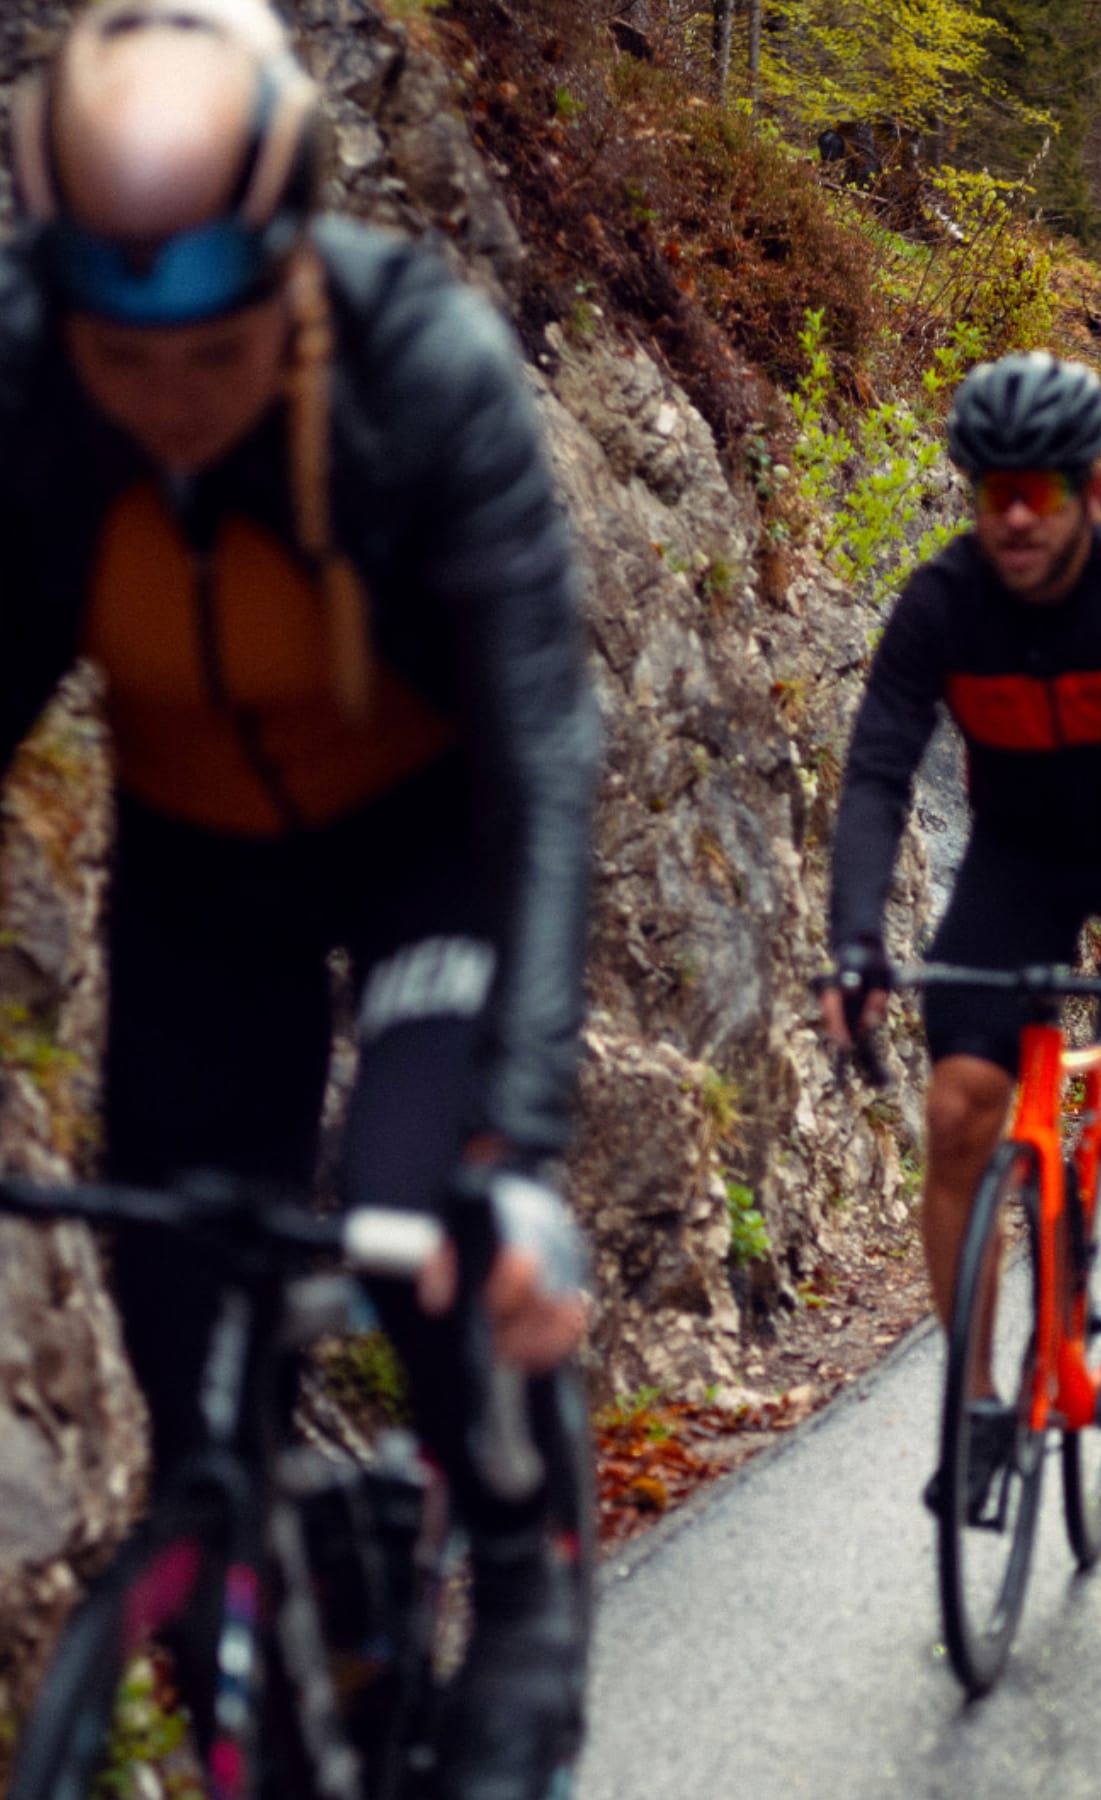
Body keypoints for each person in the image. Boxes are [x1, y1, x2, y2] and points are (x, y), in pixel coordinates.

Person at [0, 3, 601, 1794]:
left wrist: (519, 1138)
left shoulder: (423, 372)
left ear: (294, 265)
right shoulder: (32, 392)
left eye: (218, 343)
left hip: (436, 852)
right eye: (124, 347)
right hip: (201, 879)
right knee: (193, 1398)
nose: (168, 393)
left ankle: (520, 1586)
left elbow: (546, 765)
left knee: (421, 1221)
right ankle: (261, 1631)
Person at [820, 351, 1101, 1503]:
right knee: (961, 1108)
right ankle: (973, 1408)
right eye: (991, 488)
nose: (1014, 515)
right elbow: (875, 778)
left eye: (1042, 490)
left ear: (1094, 487)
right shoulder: (942, 606)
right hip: (1021, 860)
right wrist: (854, 936)